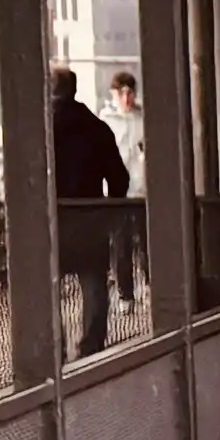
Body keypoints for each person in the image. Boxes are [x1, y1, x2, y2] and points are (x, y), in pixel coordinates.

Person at [48, 65, 137, 353]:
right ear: (74, 90)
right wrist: (109, 213)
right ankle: (91, 346)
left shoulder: (40, 129)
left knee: (45, 286)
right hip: (89, 219)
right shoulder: (97, 128)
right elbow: (119, 179)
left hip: (50, 223)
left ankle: (53, 347)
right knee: (94, 282)